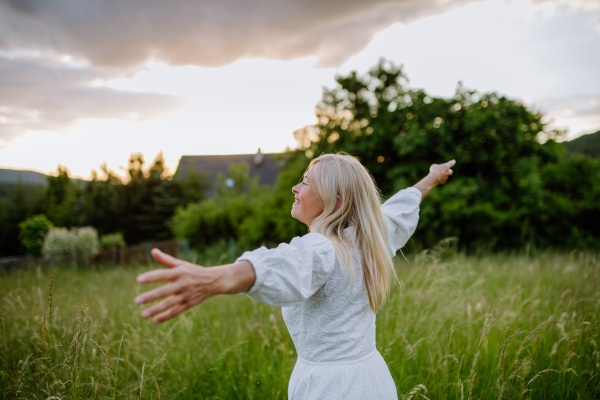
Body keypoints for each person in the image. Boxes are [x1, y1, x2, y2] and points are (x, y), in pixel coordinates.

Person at [135, 154, 455, 399]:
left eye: (305, 182)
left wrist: (214, 278)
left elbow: (281, 265)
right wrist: (432, 177)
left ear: (336, 201)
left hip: (331, 389)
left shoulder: (323, 249)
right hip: (371, 378)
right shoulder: (372, 234)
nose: (295, 187)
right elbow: (402, 206)